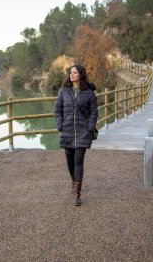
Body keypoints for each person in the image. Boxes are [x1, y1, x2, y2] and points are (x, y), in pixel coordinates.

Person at [54, 64, 98, 206]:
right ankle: (74, 182)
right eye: (70, 72)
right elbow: (57, 110)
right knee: (70, 161)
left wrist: (90, 128)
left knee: (78, 161)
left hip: (82, 131)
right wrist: (60, 125)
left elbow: (94, 112)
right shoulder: (63, 91)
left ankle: (76, 193)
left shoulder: (89, 93)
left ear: (81, 74)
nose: (71, 74)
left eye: (74, 72)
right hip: (66, 130)